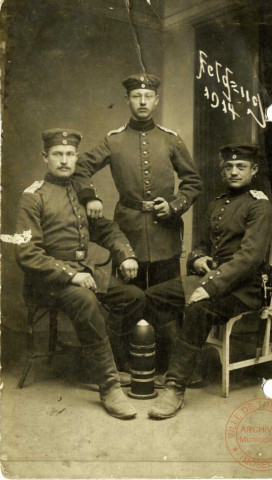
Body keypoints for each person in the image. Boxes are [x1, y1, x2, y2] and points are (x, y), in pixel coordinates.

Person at [73, 73, 203, 373]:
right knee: (128, 301)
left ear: (156, 100)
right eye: (136, 96)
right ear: (128, 100)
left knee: (167, 302)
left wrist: (173, 205)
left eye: (148, 96)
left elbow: (193, 182)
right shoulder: (114, 140)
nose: (142, 101)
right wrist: (90, 196)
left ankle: (168, 366)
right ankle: (123, 365)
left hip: (165, 235)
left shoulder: (170, 139)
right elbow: (81, 168)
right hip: (126, 234)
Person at [16, 128, 146, 420]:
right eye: (58, 154)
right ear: (45, 157)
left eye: (70, 154)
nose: (64, 160)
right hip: (47, 281)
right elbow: (27, 254)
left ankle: (99, 365)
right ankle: (110, 385)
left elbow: (106, 229)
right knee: (86, 301)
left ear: (76, 157)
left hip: (85, 274)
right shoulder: (33, 197)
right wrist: (70, 276)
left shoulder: (81, 194)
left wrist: (126, 254)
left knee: (133, 297)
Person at [145, 144, 272, 419]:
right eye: (229, 167)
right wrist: (197, 260)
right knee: (154, 296)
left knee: (198, 308)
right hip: (215, 278)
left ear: (254, 170)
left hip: (246, 287)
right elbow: (202, 244)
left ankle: (175, 386)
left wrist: (208, 287)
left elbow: (249, 259)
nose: (234, 172)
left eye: (241, 167)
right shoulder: (217, 203)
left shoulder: (260, 205)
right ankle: (188, 369)